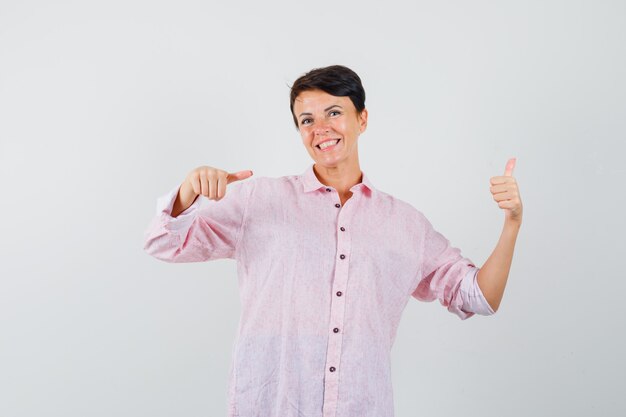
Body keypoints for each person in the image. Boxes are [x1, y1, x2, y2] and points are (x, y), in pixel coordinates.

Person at [143, 65, 523, 417]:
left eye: (334, 112)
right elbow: (163, 243)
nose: (320, 128)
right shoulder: (258, 201)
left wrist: (511, 223)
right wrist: (188, 193)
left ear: (362, 119)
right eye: (307, 120)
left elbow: (479, 298)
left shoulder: (406, 225)